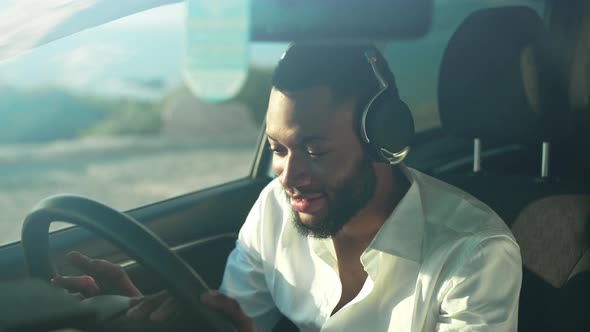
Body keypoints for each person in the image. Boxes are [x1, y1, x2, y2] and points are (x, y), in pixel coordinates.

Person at [52, 44, 522, 332]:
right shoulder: (275, 209)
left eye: (315, 150)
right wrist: (135, 310)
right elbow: (234, 322)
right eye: (278, 148)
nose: (289, 176)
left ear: (383, 143)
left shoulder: (474, 255)